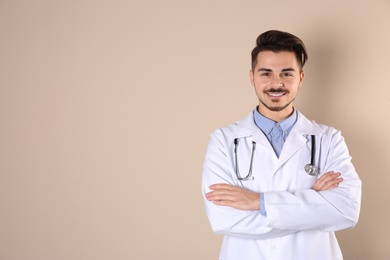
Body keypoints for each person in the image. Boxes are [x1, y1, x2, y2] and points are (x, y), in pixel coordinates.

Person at [201, 30, 362, 260]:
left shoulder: (328, 139)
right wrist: (311, 200)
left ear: (301, 78)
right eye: (266, 73)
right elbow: (223, 219)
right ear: (252, 77)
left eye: (287, 73)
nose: (276, 83)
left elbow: (346, 210)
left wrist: (258, 202)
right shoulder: (223, 140)